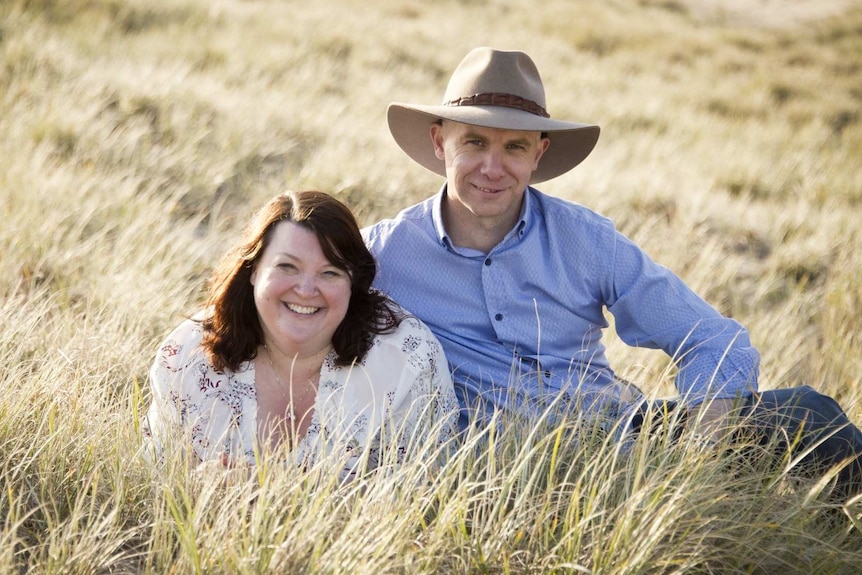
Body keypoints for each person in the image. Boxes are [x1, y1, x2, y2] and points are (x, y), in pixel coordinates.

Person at [363, 47, 862, 500]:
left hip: (619, 438)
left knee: (811, 417)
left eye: (515, 147)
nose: (493, 167)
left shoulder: (585, 239)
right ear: (438, 142)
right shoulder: (382, 255)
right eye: (474, 142)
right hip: (492, 470)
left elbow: (713, 338)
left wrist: (698, 455)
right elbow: (293, 309)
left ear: (538, 155)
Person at [143, 190, 459, 479]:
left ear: (353, 282)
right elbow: (156, 485)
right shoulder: (185, 355)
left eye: (329, 272)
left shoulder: (406, 356)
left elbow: (428, 491)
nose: (306, 290)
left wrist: (273, 489)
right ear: (253, 270)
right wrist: (201, 488)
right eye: (287, 267)